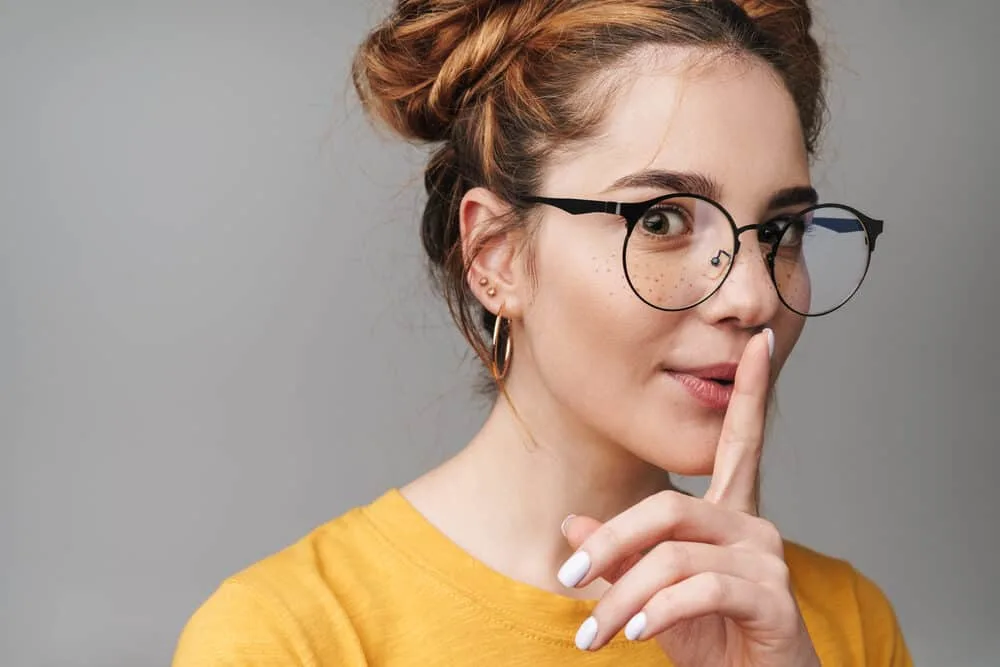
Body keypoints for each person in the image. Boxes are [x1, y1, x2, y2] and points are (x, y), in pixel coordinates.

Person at [173, 0, 911, 664]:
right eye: (661, 220)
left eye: (781, 230)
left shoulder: (837, 626)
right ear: (495, 255)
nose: (752, 295)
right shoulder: (286, 636)